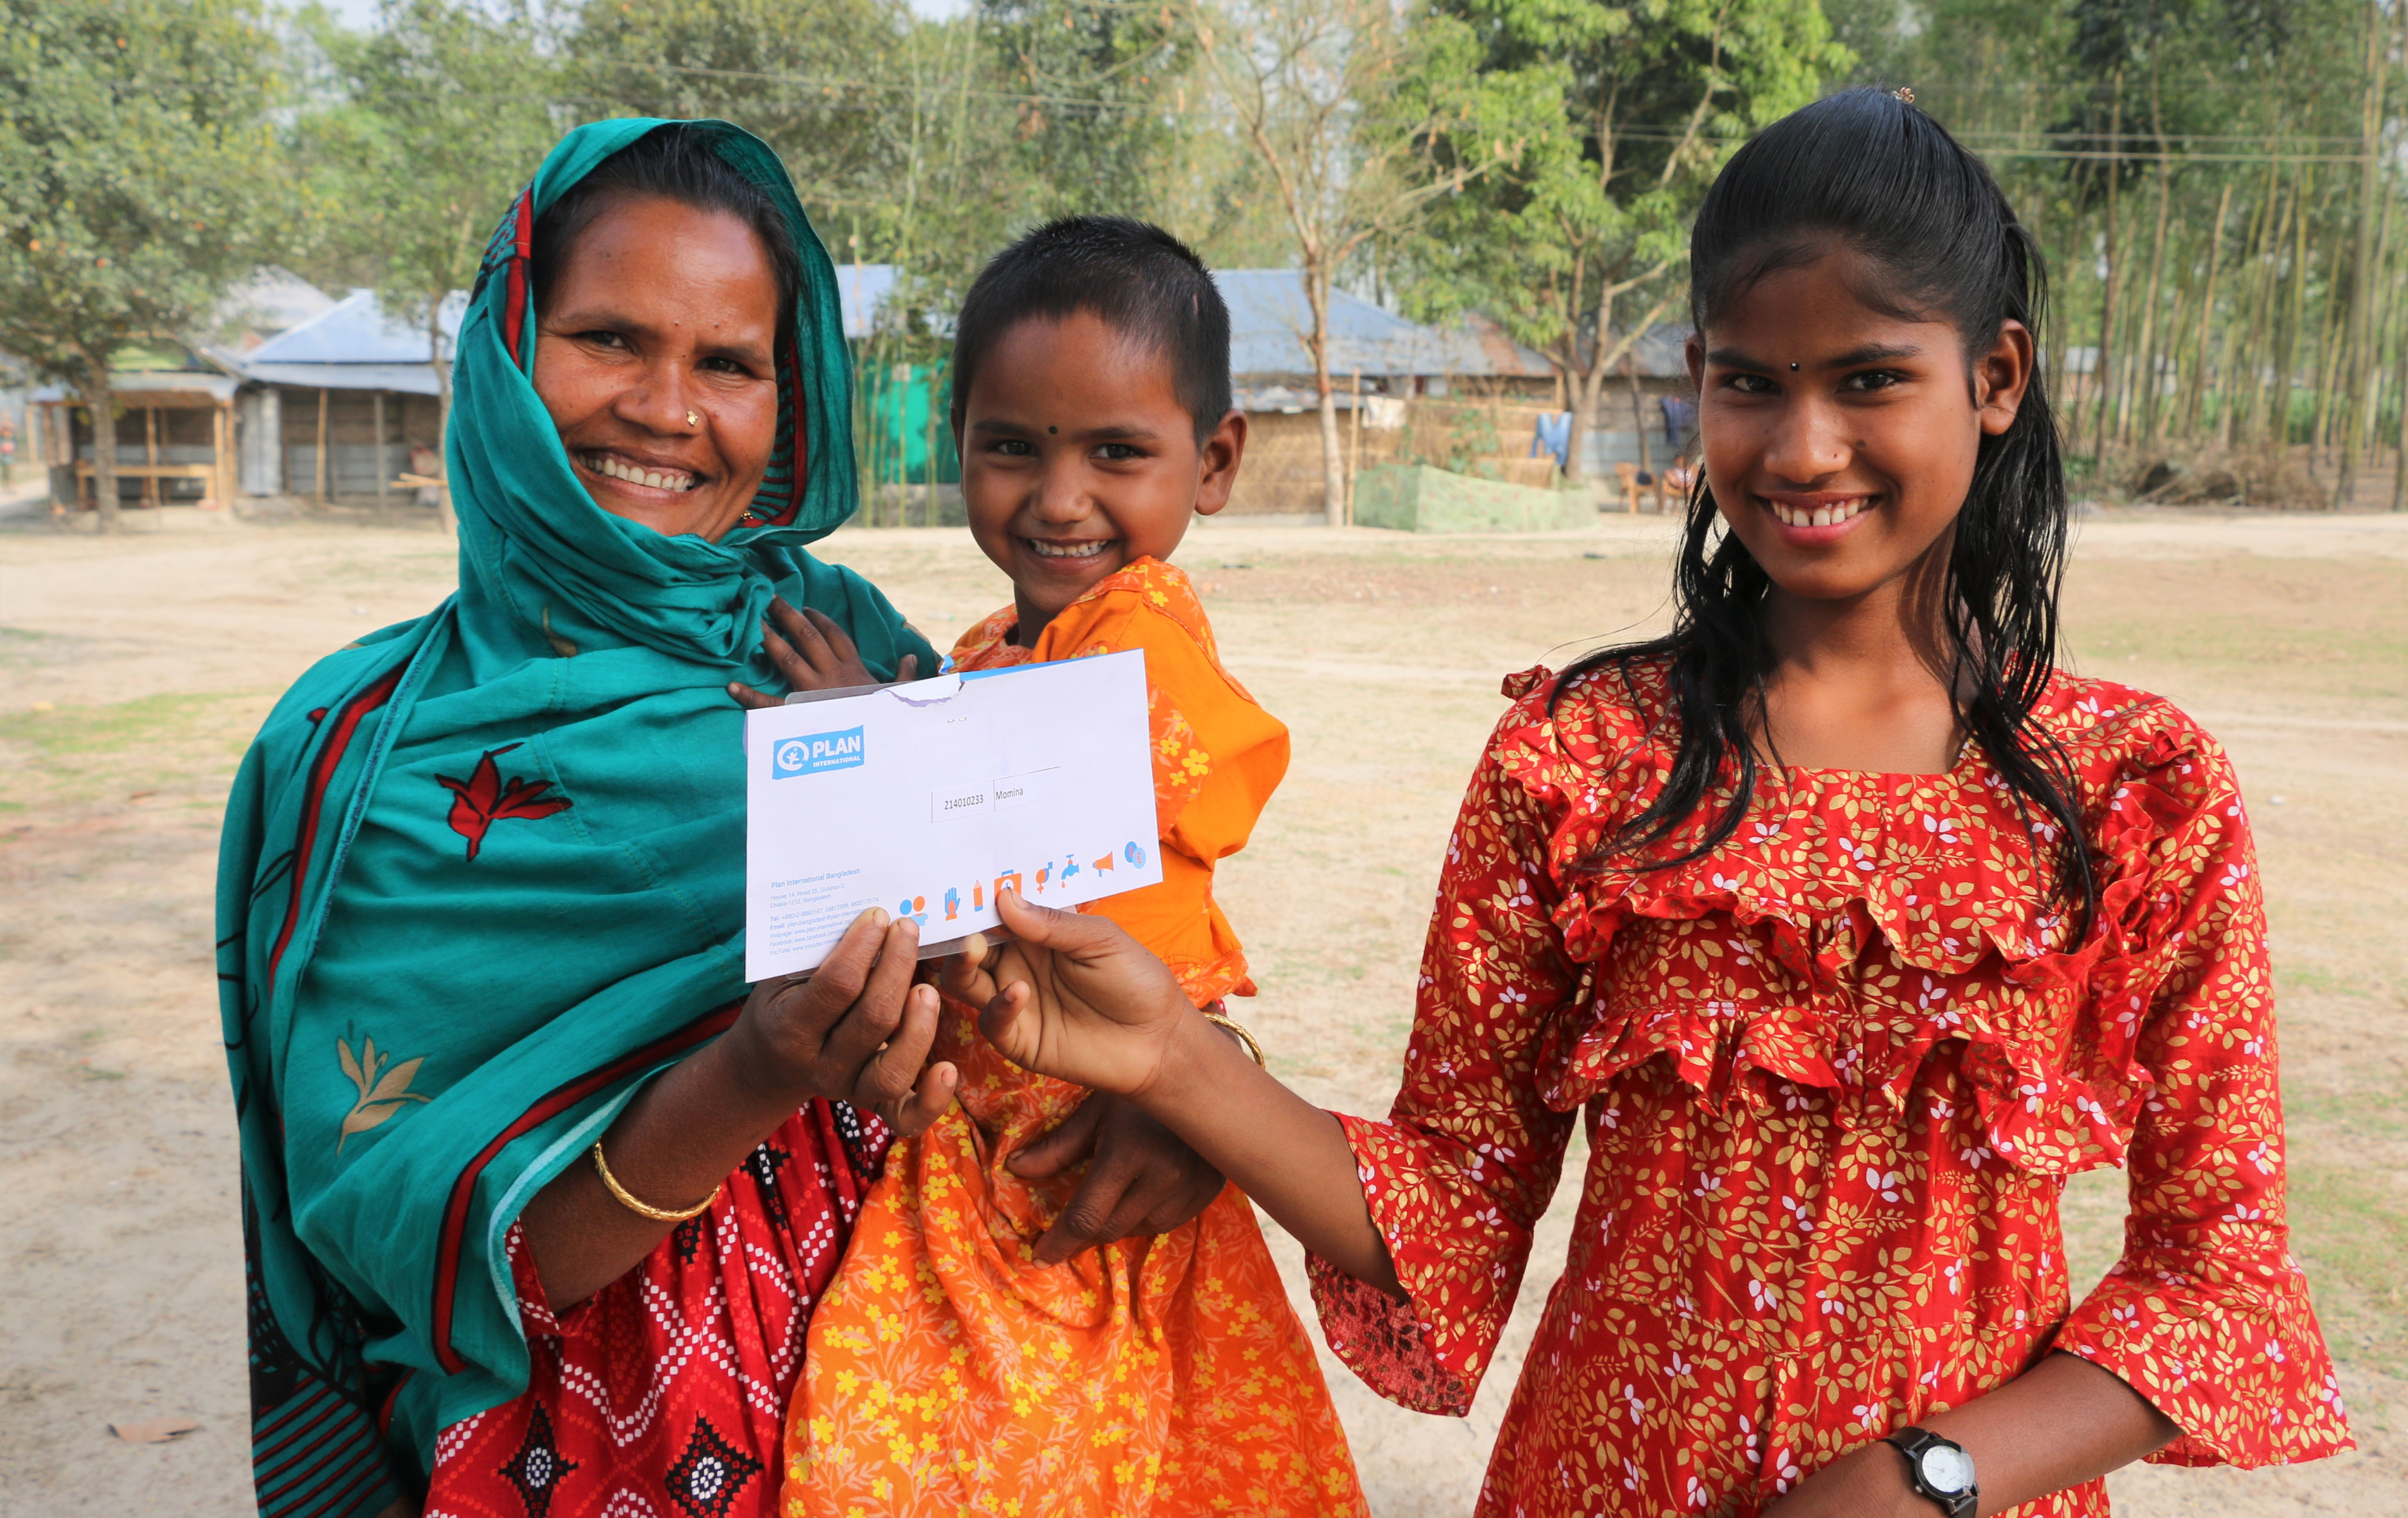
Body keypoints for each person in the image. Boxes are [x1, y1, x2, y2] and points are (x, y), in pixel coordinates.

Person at [936, 91, 2352, 1517]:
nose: (1800, 449)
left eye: (1866, 381)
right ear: (1696, 379)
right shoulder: (1581, 758)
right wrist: (1176, 1061)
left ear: (1993, 377)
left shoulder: (2131, 788)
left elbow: (2215, 1282)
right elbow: (1449, 1204)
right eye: (1750, 383)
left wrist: (1924, 1477)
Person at [217, 122, 1203, 1518]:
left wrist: (1184, 1086)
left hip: (924, 1430)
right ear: (503, 355)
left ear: (786, 398)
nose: (668, 409)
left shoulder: (843, 641)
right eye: (609, 339)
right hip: (585, 1447)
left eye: (729, 363)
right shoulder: (362, 753)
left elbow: (1078, 933)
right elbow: (429, 1245)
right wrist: (755, 1072)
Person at [781, 217, 1368, 1518]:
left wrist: (872, 729)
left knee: (1041, 1437)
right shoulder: (999, 637)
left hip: (1090, 1116)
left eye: (1115, 451)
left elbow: (1047, 809)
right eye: (1012, 446)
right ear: (960, 446)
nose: (1056, 497)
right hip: (1014, 1122)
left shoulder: (1136, 629)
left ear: (1211, 462)